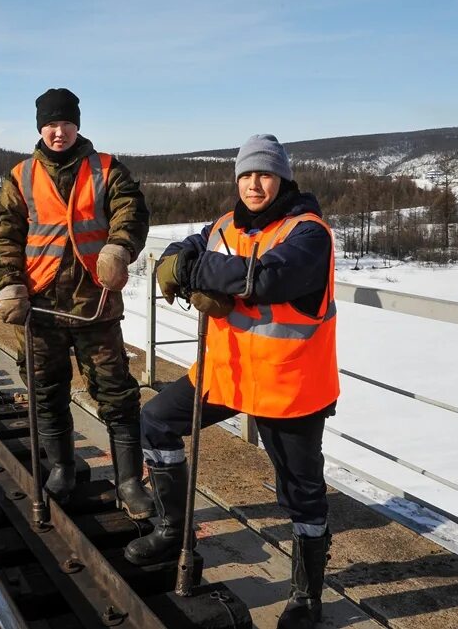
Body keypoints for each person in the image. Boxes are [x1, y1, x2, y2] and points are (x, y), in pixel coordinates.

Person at [124, 134, 339, 629]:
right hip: (226, 373)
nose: (253, 184)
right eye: (245, 175)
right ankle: (172, 529)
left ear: (283, 177)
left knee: (301, 493)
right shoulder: (224, 225)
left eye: (263, 174)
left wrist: (196, 270)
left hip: (288, 386)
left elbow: (265, 279)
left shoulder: (309, 233)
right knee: (155, 420)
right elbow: (180, 252)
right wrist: (178, 261)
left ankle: (307, 597)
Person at [0, 88, 154, 520]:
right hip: (39, 306)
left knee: (116, 393)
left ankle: (130, 481)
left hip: (94, 305)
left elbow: (130, 212)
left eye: (64, 123)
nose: (57, 132)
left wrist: (119, 249)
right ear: (40, 127)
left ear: (77, 125)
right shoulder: (21, 176)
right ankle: (61, 467)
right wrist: (9, 284)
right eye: (49, 124)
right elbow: (4, 233)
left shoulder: (107, 170)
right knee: (45, 390)